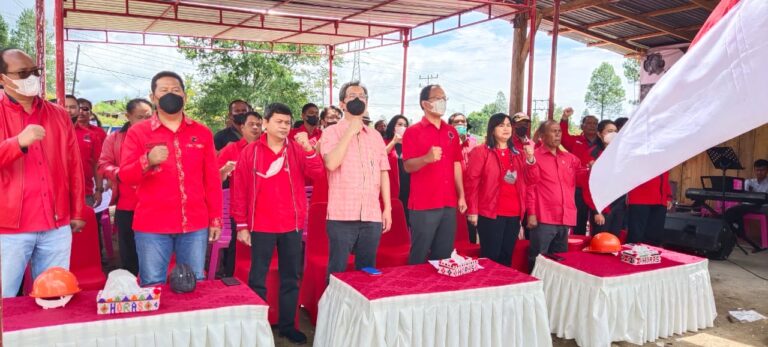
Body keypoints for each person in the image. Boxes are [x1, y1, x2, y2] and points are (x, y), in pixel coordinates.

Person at [120, 71, 222, 286]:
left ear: (184, 96)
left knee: (194, 284)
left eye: (176, 90)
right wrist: (147, 160)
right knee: (153, 284)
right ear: (153, 97)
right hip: (152, 225)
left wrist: (215, 218)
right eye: (164, 90)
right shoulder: (138, 132)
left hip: (194, 224)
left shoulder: (202, 132)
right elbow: (126, 176)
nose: (171, 95)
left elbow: (212, 180)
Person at [232, 103, 322, 344]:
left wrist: (310, 150)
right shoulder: (250, 152)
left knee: (291, 278)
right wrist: (241, 225)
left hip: (291, 225)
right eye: (279, 122)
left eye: (287, 122)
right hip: (260, 225)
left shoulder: (296, 149)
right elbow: (238, 189)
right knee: (258, 279)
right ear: (266, 123)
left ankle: (287, 325)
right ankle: (257, 327)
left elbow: (318, 173)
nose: (284, 126)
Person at [0, 48, 86, 297]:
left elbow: (74, 165)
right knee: (5, 299)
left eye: (35, 71)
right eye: (22, 73)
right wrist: (16, 143)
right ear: (3, 79)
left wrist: (77, 210)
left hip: (56, 225)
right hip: (8, 228)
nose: (31, 77)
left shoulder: (58, 114)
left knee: (55, 296)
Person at [320, 81, 392, 278]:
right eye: (352, 96)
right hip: (342, 215)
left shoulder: (376, 136)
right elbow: (331, 163)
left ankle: (361, 310)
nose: (358, 99)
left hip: (371, 215)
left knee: (367, 271)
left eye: (362, 96)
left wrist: (387, 208)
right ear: (342, 104)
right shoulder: (330, 132)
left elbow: (383, 171)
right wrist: (350, 131)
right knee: (337, 272)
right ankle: (333, 310)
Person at [403, 85, 467, 264]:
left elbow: (456, 164)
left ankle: (438, 290)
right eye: (438, 98)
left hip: (448, 202)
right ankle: (414, 290)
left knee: (443, 256)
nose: (442, 102)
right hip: (424, 204)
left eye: (444, 98)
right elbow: (407, 166)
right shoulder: (413, 132)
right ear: (425, 104)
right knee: (419, 254)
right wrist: (426, 158)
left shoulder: (451, 132)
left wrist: (461, 195)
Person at [465, 113, 535, 266]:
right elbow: (472, 182)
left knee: (506, 256)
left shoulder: (519, 154)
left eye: (509, 125)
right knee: (490, 257)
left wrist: (530, 160)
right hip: (490, 213)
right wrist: (473, 210)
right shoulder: (481, 151)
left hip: (514, 213)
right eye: (501, 125)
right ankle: (486, 288)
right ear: (492, 129)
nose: (506, 129)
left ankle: (502, 288)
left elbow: (532, 180)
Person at [98, 98, 153, 275]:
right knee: (129, 250)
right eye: (140, 117)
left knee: (154, 251)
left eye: (149, 116)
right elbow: (103, 164)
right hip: (127, 203)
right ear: (128, 116)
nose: (146, 121)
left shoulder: (159, 136)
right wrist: (120, 173)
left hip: (154, 203)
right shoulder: (115, 138)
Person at [526, 120, 582, 268]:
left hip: (565, 217)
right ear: (542, 136)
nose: (557, 134)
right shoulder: (534, 157)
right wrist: (531, 213)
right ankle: (535, 288)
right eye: (553, 131)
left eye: (559, 131)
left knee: (560, 260)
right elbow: (530, 187)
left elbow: (583, 174)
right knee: (538, 259)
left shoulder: (569, 158)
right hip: (544, 217)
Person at [216, 111, 262, 277]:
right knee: (236, 249)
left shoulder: (267, 147)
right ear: (242, 127)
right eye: (251, 124)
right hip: (240, 208)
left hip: (264, 207)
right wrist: (224, 170)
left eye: (259, 124)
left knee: (263, 252)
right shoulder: (232, 149)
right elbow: (216, 179)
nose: (256, 128)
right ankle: (232, 281)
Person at [559, 107, 599, 236]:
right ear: (582, 126)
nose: (592, 126)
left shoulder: (603, 143)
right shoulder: (575, 141)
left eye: (595, 123)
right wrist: (565, 119)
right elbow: (563, 137)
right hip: (579, 187)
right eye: (589, 123)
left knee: (597, 221)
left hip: (597, 188)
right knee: (579, 221)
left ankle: (596, 245)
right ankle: (578, 248)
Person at [579, 120, 622, 236]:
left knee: (615, 242)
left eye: (615, 131)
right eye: (609, 131)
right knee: (600, 243)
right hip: (601, 208)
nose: (613, 134)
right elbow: (588, 186)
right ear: (599, 134)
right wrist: (596, 211)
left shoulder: (622, 154)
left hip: (618, 205)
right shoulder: (592, 154)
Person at [725, 159, 768, 251]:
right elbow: (743, 196)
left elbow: (764, 199)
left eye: (763, 170)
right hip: (747, 205)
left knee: (734, 211)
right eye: (757, 170)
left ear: (767, 170)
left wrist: (754, 194)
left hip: (763, 206)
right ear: (754, 170)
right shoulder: (749, 182)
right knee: (730, 211)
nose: (760, 172)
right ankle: (740, 232)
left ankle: (740, 232)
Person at [448, 112, 478, 243]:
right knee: (452, 232)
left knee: (470, 232)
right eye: (457, 122)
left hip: (470, 193)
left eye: (463, 122)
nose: (461, 124)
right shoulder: (446, 143)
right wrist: (457, 142)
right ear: (450, 126)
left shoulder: (473, 143)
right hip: (452, 193)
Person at [75, 97, 107, 208]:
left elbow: (98, 161)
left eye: (85, 109)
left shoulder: (97, 133)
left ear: (90, 112)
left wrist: (99, 188)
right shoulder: (60, 131)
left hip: (89, 186)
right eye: (77, 108)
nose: (81, 111)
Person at [626, 171, 672, 245]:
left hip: (660, 201)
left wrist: (668, 196)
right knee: (636, 236)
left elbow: (665, 177)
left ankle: (650, 255)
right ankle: (631, 255)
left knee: (655, 235)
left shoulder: (662, 160)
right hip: (640, 199)